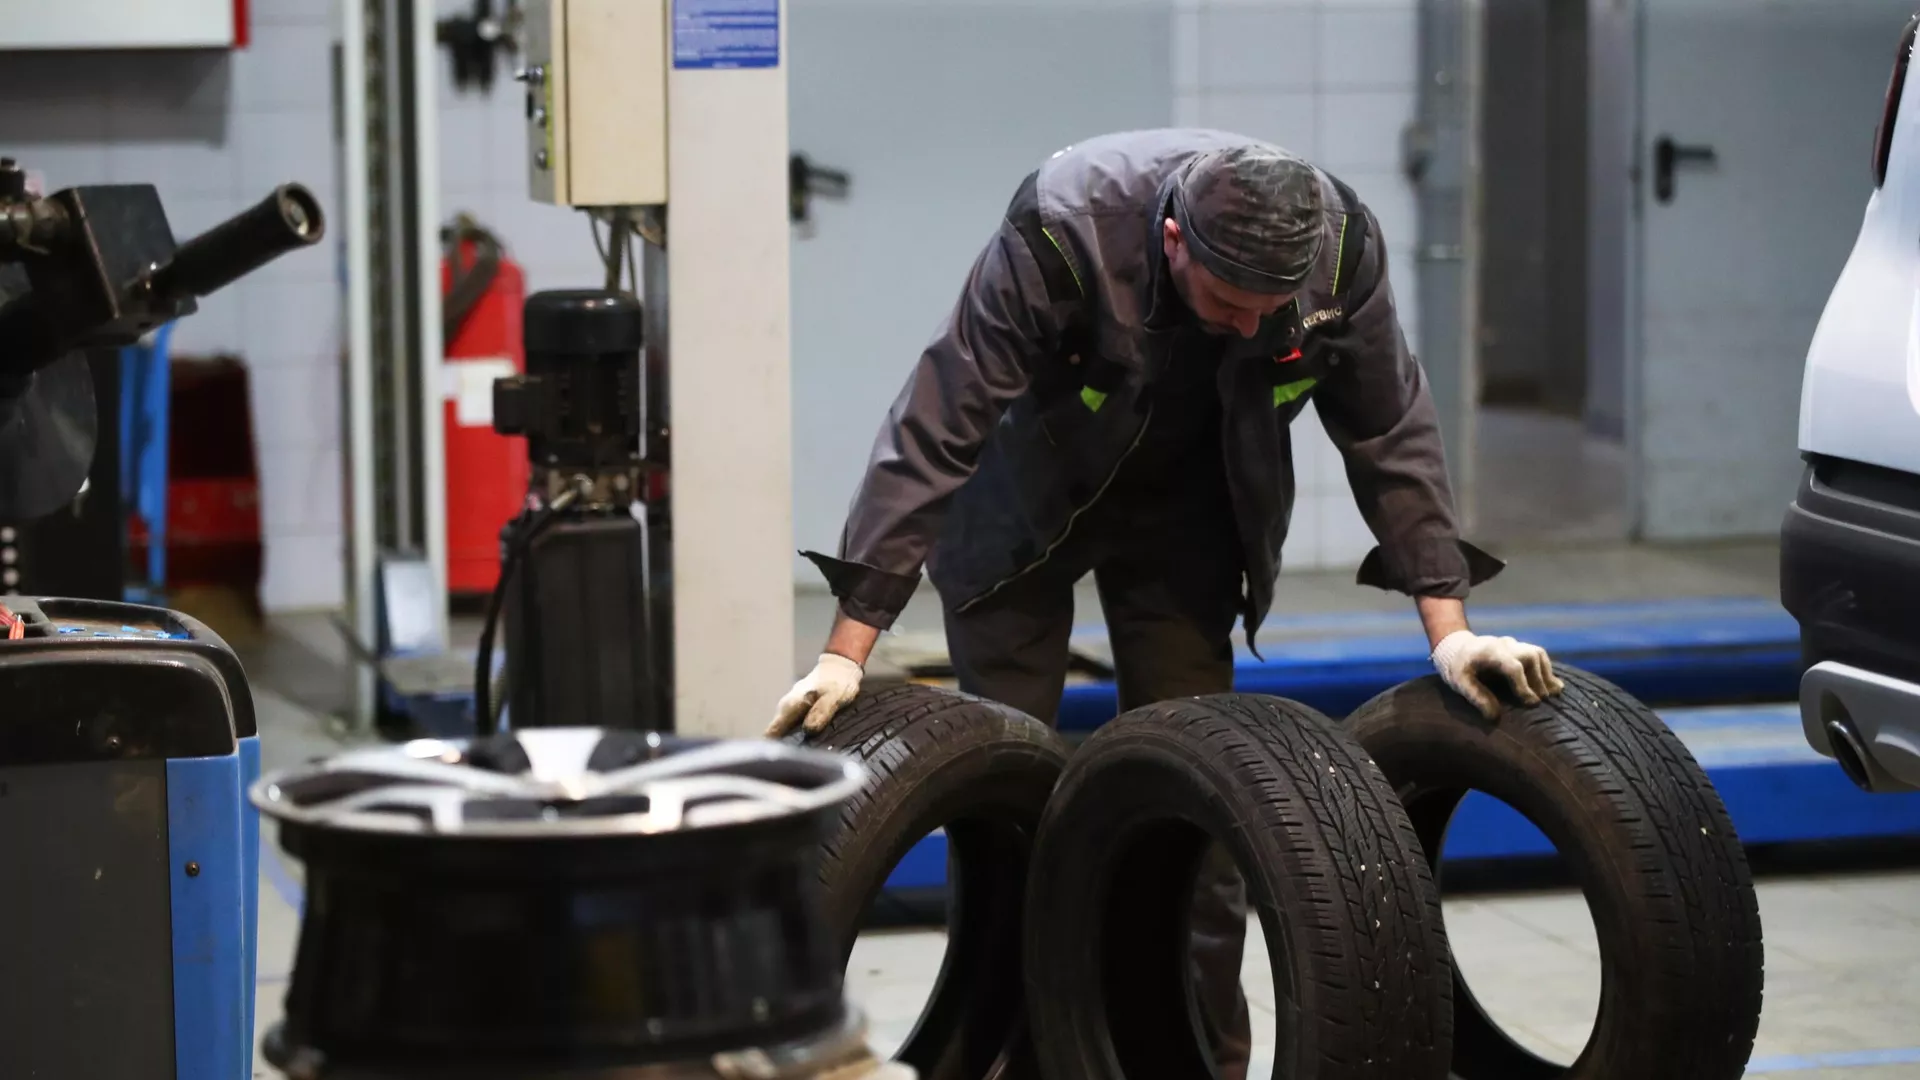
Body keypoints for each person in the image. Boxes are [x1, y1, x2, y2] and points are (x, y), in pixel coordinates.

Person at [767, 129, 1565, 1078]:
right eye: (1228, 302)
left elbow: (1389, 429)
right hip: (1025, 501)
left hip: (1194, 502)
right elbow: (934, 428)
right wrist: (846, 652)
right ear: (1176, 238)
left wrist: (1451, 631)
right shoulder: (1063, 233)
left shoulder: (1340, 252)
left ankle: (1194, 1057)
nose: (1244, 325)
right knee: (1001, 791)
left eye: (1268, 312)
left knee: (1208, 797)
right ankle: (1017, 1056)